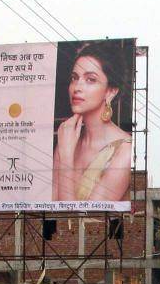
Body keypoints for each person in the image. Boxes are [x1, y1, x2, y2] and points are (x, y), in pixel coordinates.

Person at [52, 41, 132, 203]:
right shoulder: (67, 139)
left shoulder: (124, 152)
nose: (77, 87)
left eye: (90, 79)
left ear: (110, 91)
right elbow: (51, 211)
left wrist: (66, 158)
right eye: (74, 78)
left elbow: (78, 221)